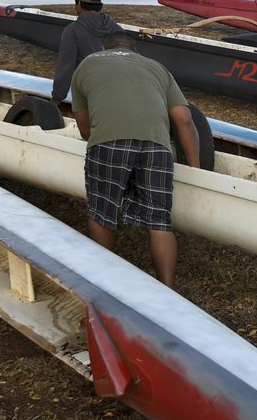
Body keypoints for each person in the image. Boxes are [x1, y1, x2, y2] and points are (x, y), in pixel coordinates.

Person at [71, 33, 200, 289]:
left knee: (102, 212)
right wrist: (196, 170)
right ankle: (167, 291)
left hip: (109, 141)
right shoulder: (157, 68)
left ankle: (103, 285)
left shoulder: (87, 64)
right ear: (135, 51)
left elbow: (85, 129)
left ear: (104, 47)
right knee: (159, 220)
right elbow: (184, 120)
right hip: (157, 145)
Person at [52, 0, 123, 103]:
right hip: (120, 91)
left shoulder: (72, 31)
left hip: (92, 95)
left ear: (79, 4)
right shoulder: (117, 29)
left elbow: (65, 69)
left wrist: (57, 98)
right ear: (99, 5)